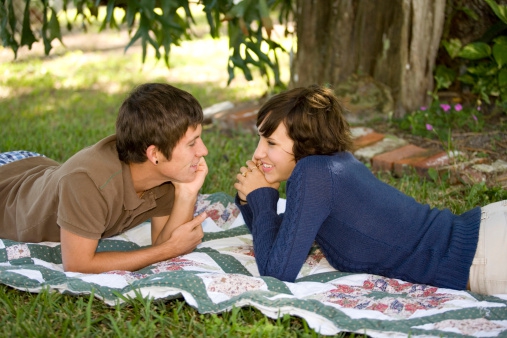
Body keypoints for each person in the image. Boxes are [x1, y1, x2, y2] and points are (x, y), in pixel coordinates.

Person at [234, 84, 507, 295]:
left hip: (484, 254)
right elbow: (285, 239)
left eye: (270, 142)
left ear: (306, 142)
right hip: (485, 233)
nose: (258, 153)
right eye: (260, 139)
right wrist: (253, 200)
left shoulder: (313, 174)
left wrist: (264, 197)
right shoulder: (330, 166)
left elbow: (277, 272)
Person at [0, 83, 208, 274]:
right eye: (192, 143)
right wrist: (168, 250)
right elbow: (78, 265)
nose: (203, 151)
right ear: (155, 155)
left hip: (39, 167)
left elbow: (164, 242)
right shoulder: (89, 183)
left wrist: (187, 193)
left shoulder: (164, 175)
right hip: (7, 189)